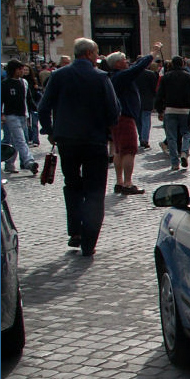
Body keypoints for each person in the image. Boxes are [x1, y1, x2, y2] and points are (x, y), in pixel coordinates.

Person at [37, 37, 120, 256]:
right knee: (95, 190)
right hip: (94, 140)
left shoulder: (58, 76)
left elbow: (43, 107)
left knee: (72, 184)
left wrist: (51, 132)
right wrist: (108, 127)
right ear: (91, 54)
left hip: (67, 140)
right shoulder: (101, 77)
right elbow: (113, 110)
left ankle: (75, 230)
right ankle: (89, 241)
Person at [104, 42, 160, 194]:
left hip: (117, 118)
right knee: (129, 150)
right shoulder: (121, 76)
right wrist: (153, 53)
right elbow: (138, 67)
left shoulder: (115, 76)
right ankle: (128, 183)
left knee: (118, 150)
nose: (127, 62)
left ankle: (119, 182)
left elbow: (135, 65)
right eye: (123, 60)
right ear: (117, 63)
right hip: (125, 116)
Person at [155, 55, 190, 171]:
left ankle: (174, 162)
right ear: (183, 64)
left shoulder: (166, 77)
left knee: (171, 137)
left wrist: (159, 110)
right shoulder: (189, 77)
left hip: (170, 109)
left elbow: (160, 94)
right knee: (187, 133)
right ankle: (184, 152)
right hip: (185, 110)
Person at [1, 60, 39, 175]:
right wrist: (1, 114)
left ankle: (9, 163)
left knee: (16, 140)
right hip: (11, 115)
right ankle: (29, 162)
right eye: (21, 69)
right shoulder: (4, 84)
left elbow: (28, 99)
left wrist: (35, 109)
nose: (23, 71)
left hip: (23, 114)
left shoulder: (24, 82)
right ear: (15, 70)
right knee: (20, 140)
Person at [134, 56, 160, 149]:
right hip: (147, 99)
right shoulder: (151, 74)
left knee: (138, 121)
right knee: (146, 120)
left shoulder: (134, 74)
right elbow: (154, 88)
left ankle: (141, 137)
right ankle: (144, 138)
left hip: (136, 100)